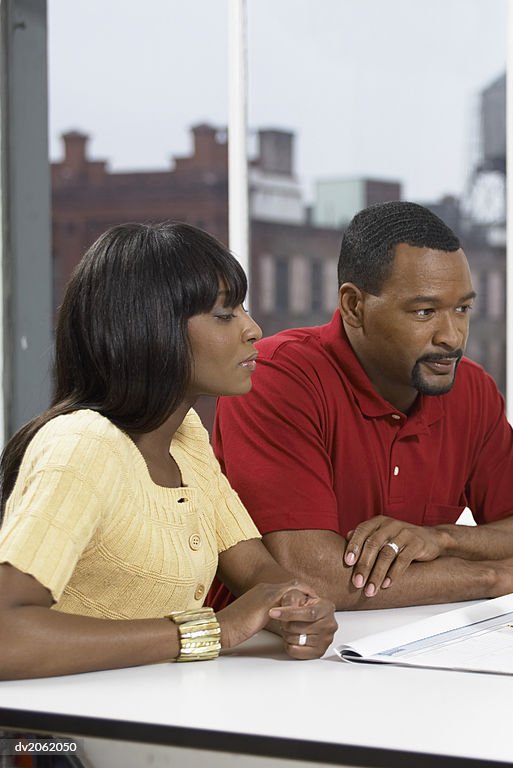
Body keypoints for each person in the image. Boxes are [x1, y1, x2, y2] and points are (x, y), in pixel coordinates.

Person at [0, 222, 337, 680]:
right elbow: (7, 635)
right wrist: (211, 630)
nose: (253, 329)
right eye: (224, 314)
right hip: (63, 742)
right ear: (150, 327)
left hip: (153, 712)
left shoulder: (185, 437)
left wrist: (298, 607)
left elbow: (258, 570)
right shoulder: (83, 444)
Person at [211, 201, 513, 610]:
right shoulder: (278, 377)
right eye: (424, 311)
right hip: (265, 658)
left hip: (410, 645)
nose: (452, 337)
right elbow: (309, 576)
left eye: (462, 309)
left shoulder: (471, 387)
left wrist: (442, 538)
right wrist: (492, 575)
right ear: (355, 306)